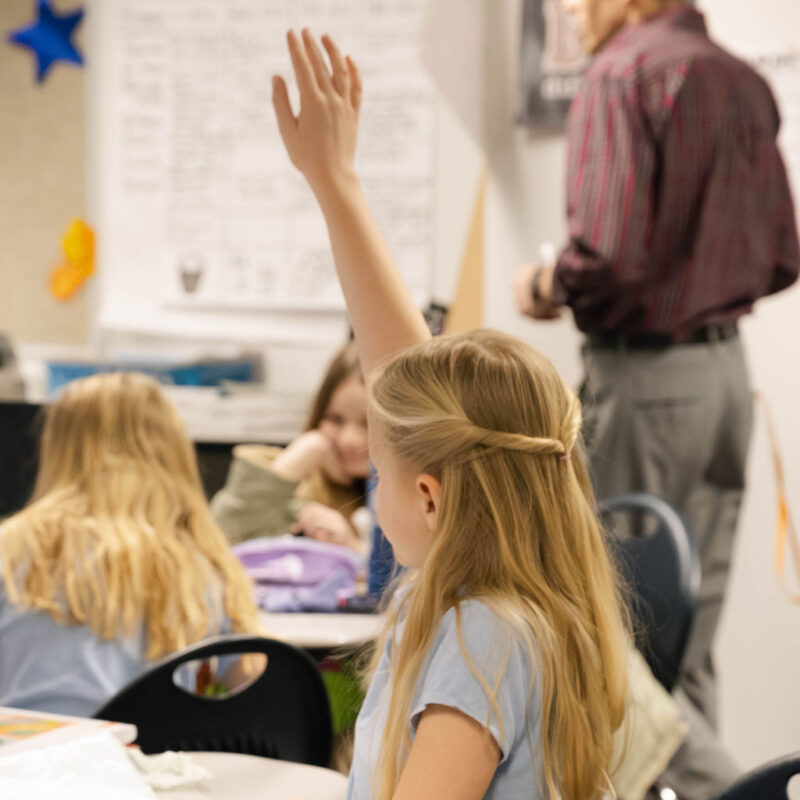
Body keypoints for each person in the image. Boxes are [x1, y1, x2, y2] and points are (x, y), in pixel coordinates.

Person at [271, 29, 630, 800]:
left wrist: (338, 185)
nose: (375, 487)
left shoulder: (480, 634)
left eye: (381, 472)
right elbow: (407, 388)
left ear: (431, 497)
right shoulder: (526, 603)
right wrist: (336, 185)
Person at [514, 0, 800, 796]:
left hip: (644, 382)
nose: (569, 11)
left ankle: (734, 792)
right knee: (689, 635)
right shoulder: (740, 82)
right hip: (723, 380)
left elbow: (604, 258)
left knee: (606, 634)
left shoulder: (620, 75)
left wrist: (541, 284)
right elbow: (784, 258)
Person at [0, 372, 260, 716]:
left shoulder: (11, 547)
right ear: (173, 453)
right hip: (149, 763)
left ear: (58, 448)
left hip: (24, 759)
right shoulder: (203, 564)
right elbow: (253, 690)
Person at [211, 340, 371, 554]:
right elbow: (228, 535)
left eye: (368, 423)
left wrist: (356, 550)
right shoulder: (306, 490)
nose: (349, 440)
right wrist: (308, 451)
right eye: (335, 419)